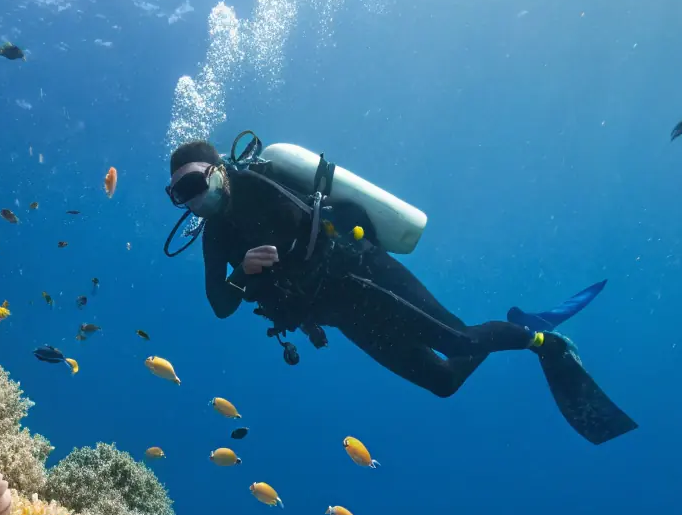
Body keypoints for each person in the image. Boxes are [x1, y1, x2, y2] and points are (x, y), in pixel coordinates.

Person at [165, 138, 636, 445]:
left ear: (218, 169)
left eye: (194, 183)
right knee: (443, 382)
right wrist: (243, 272)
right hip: (337, 312)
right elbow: (220, 305)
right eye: (179, 194)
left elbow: (338, 213)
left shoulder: (262, 183)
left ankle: (545, 343)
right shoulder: (214, 237)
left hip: (364, 273)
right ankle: (516, 329)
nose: (191, 198)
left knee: (458, 341)